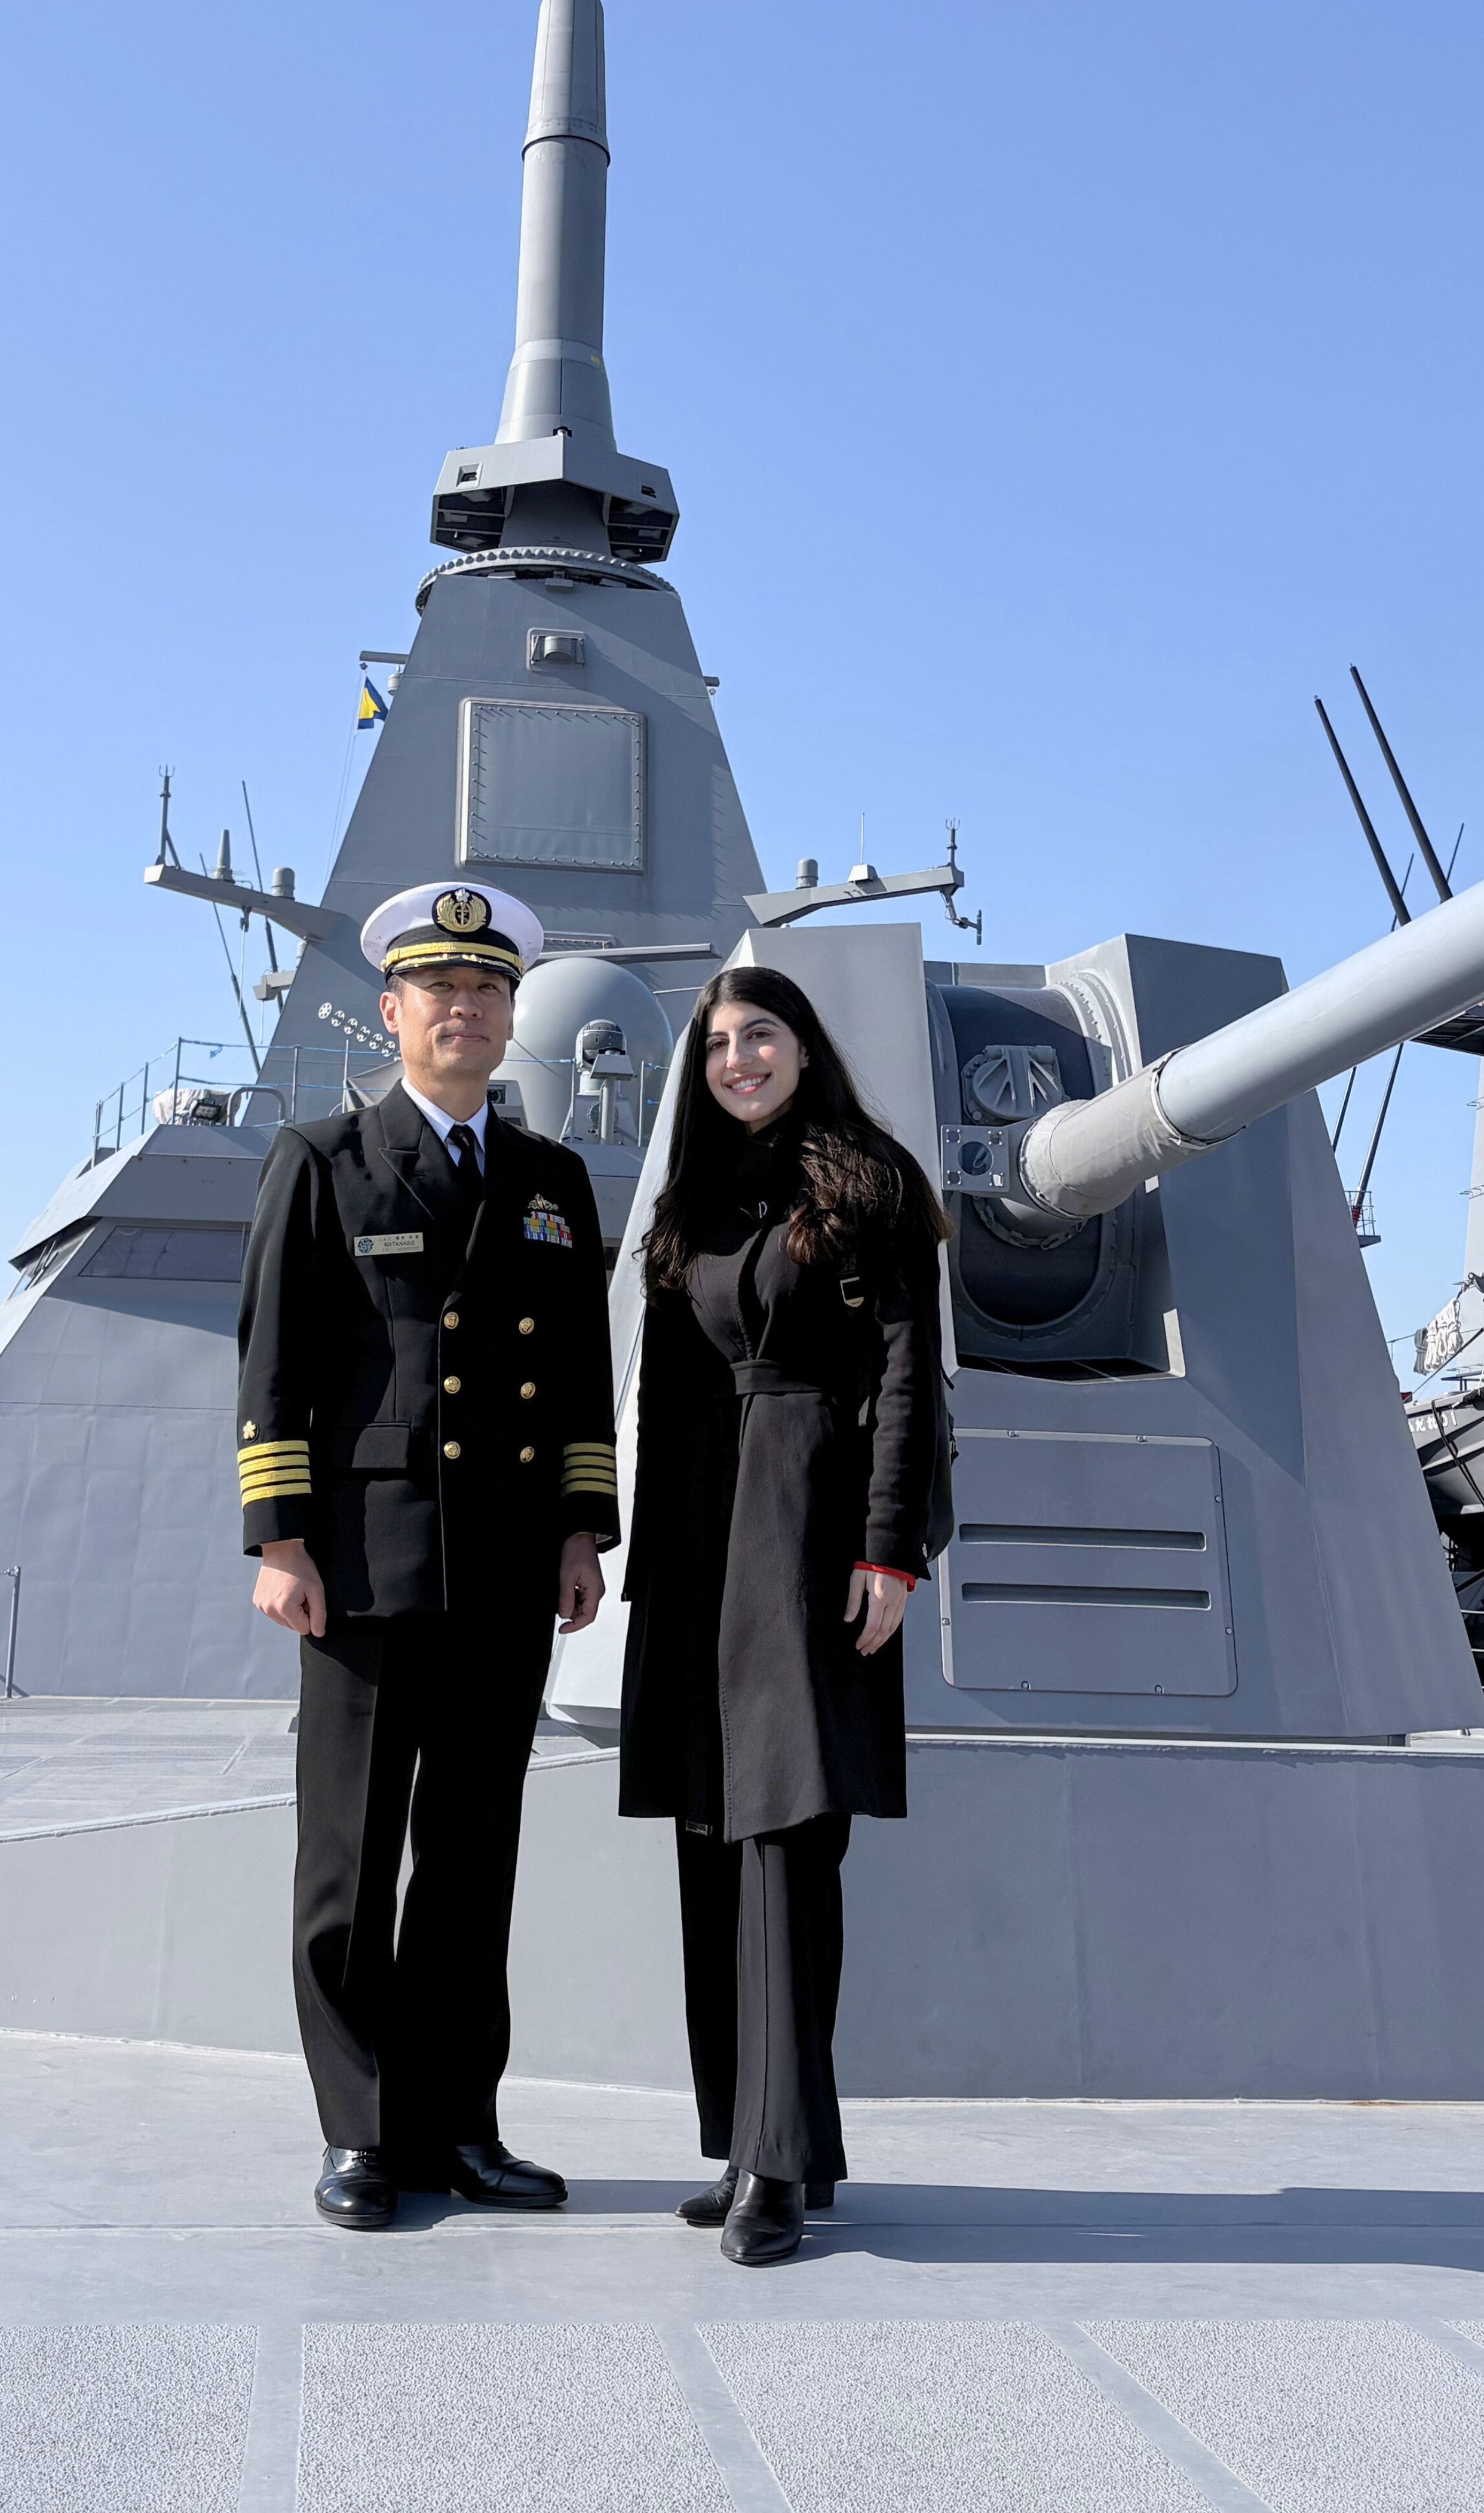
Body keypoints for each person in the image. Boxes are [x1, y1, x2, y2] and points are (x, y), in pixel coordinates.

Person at [236, 878, 623, 2230]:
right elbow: (275, 1362)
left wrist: (583, 1529)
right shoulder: (324, 1161)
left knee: (471, 1866)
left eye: (489, 992)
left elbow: (582, 1372)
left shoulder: (551, 1183)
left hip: (509, 1569)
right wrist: (279, 1538)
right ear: (392, 1010)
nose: (466, 1011)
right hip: (361, 1563)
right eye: (441, 992)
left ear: (512, 1015)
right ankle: (359, 2134)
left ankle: (460, 2128)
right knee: (346, 1861)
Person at [615, 964, 948, 2266]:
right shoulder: (690, 1205)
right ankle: (747, 2139)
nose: (739, 1060)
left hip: (813, 1531)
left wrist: (889, 1553)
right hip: (700, 1543)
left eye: (761, 1037)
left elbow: (912, 1381)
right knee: (712, 1842)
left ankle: (782, 2165)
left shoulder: (872, 1187)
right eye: (716, 1047)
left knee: (788, 1848)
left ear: (806, 1048)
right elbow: (664, 1389)